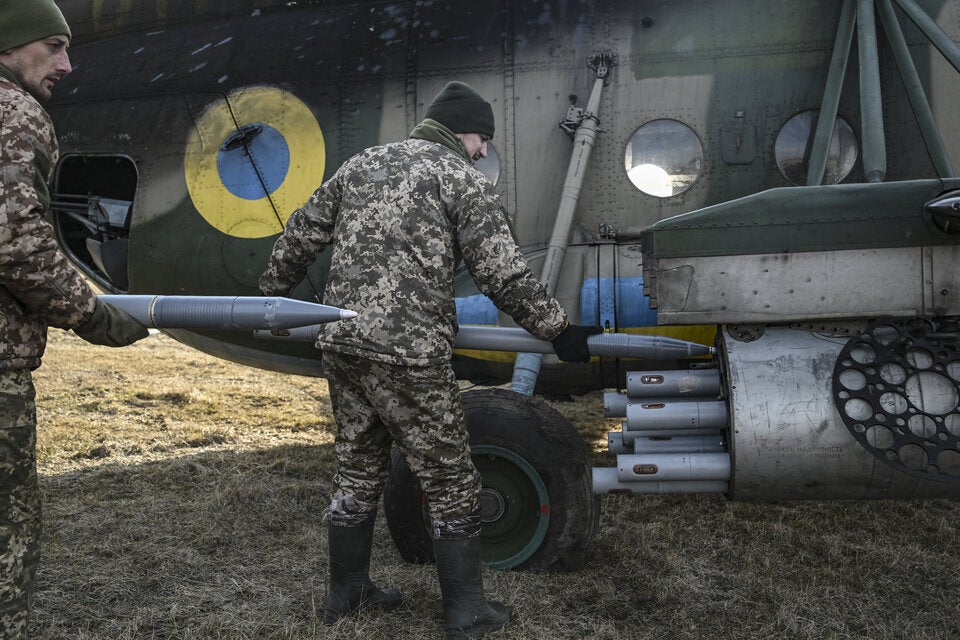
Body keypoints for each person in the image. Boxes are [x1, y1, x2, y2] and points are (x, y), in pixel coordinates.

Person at [260, 80, 601, 639]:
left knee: (356, 467)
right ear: (463, 131)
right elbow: (501, 273)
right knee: (450, 479)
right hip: (408, 354)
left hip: (341, 342)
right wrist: (558, 330)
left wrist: (274, 291)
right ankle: (466, 610)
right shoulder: (459, 178)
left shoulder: (362, 164)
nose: (484, 151)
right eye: (483, 139)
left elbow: (302, 232)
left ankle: (347, 593)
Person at [0, 1, 149, 635]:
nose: (67, 62)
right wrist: (94, 315)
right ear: (10, 45)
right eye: (54, 46)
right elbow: (16, 243)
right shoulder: (14, 112)